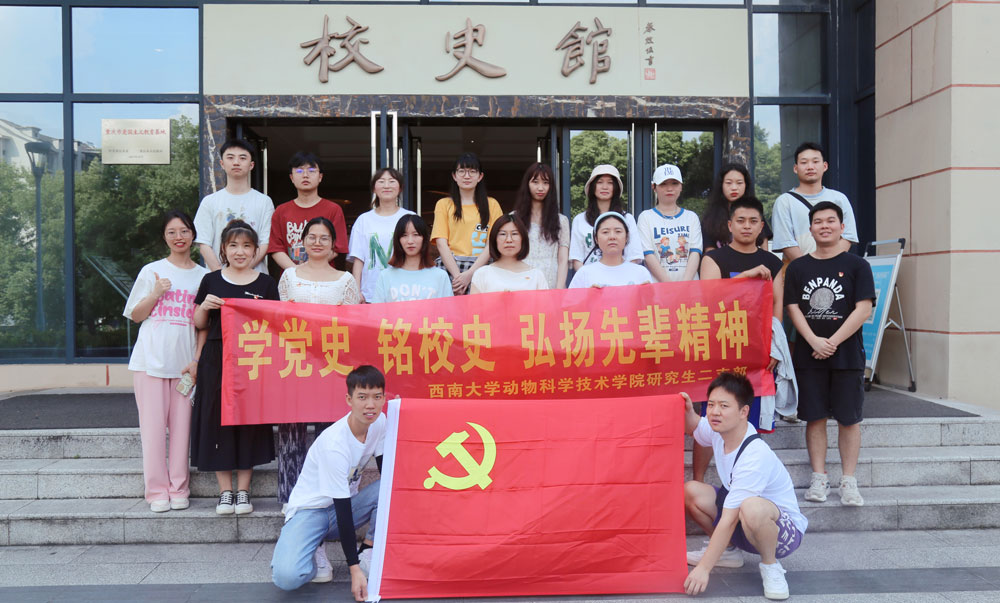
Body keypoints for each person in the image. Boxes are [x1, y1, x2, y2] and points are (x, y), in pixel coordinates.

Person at [681, 373, 807, 601]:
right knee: (691, 491)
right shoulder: (720, 430)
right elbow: (694, 426)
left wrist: (703, 569)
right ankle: (728, 551)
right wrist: (688, 409)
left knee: (752, 507)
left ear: (743, 412)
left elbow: (729, 519)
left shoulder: (754, 456)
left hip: (782, 535)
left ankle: (771, 566)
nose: (715, 411)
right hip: (744, 522)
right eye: (711, 404)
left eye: (724, 406)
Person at [784, 201, 874, 507]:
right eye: (818, 222)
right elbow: (793, 307)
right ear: (810, 229)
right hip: (809, 356)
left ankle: (849, 481)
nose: (825, 226)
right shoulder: (798, 267)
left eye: (831, 221)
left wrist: (831, 342)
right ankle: (819, 478)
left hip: (847, 356)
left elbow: (863, 309)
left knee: (849, 419)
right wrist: (813, 341)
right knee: (815, 417)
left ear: (841, 227)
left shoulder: (858, 266)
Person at [271, 365, 387, 600]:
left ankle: (368, 549)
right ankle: (313, 545)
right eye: (362, 397)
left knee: (390, 488)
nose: (370, 405)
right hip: (311, 511)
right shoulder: (335, 444)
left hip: (344, 506)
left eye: (377, 397)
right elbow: (343, 511)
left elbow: (386, 471)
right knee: (287, 577)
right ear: (349, 400)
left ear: (384, 399)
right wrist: (354, 570)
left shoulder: (380, 422)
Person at [693, 197, 784, 482]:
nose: (747, 226)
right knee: (711, 418)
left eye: (753, 221)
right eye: (741, 221)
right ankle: (698, 479)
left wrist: (775, 348)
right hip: (719, 348)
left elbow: (776, 309)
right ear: (730, 225)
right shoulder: (714, 259)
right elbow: (709, 301)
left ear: (761, 226)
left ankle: (744, 481)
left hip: (757, 353)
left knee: (747, 416)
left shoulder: (773, 263)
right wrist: (745, 277)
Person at [122, 210, 208, 513]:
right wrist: (156, 293)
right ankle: (157, 491)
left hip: (184, 366)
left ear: (193, 235)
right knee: (153, 431)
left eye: (184, 231)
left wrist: (197, 360)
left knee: (182, 431)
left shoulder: (203, 276)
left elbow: (204, 326)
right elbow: (135, 315)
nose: (179, 237)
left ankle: (179, 488)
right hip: (150, 363)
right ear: (164, 237)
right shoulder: (152, 271)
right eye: (172, 232)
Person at [191, 220, 278, 516]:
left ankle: (243, 491)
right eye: (233, 245)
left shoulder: (266, 284)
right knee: (218, 420)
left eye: (246, 246)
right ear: (224, 249)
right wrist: (205, 307)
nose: (240, 251)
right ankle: (224, 492)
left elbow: (276, 326)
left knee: (248, 421)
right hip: (217, 357)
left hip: (253, 358)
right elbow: (199, 324)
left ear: (255, 251)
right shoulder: (211, 280)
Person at [276, 217, 361, 508]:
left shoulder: (345, 279)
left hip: (331, 366)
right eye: (312, 237)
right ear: (303, 241)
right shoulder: (289, 276)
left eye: (324, 238)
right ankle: (290, 497)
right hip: (295, 363)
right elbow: (280, 320)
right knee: (291, 432)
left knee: (330, 434)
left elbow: (352, 325)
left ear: (333, 244)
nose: (317, 242)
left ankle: (327, 497)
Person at [194, 139, 274, 273]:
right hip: (218, 277)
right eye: (230, 157)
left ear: (251, 165)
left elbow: (265, 242)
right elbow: (203, 243)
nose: (236, 162)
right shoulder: (210, 201)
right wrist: (221, 274)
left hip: (255, 276)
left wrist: (243, 271)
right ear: (222, 163)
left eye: (242, 158)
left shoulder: (264, 201)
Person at [771, 142, 859, 262]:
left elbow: (848, 236)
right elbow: (785, 242)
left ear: (825, 166)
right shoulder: (784, 202)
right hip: (797, 269)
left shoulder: (839, 199)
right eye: (804, 162)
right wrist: (809, 268)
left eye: (815, 161)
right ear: (795, 168)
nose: (810, 167)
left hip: (834, 268)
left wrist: (830, 264)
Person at [430, 152, 504, 294]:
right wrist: (458, 276)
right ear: (454, 176)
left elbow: (492, 243)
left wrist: (470, 274)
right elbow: (441, 243)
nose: (467, 176)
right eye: (462, 171)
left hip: (482, 268)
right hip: (450, 267)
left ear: (480, 176)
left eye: (472, 171)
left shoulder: (492, 205)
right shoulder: (443, 204)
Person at [267, 152, 349, 270]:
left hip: (323, 275)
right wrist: (296, 271)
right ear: (292, 178)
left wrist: (309, 268)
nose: (305, 175)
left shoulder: (333, 210)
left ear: (320, 177)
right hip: (291, 276)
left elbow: (337, 248)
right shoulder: (281, 211)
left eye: (311, 171)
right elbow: (276, 248)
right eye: (299, 171)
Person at [348, 168, 415, 302]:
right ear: (374, 188)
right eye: (381, 181)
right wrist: (356, 290)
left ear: (400, 187)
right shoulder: (364, 220)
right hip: (370, 293)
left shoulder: (410, 217)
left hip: (405, 292)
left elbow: (417, 256)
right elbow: (358, 259)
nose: (387, 186)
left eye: (392, 181)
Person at [568, 165, 644, 270]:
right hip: (590, 278)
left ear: (616, 188)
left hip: (621, 278)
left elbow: (633, 257)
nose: (605, 187)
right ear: (592, 187)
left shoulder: (627, 219)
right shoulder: (580, 220)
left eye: (610, 183)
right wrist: (587, 278)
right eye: (599, 182)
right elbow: (577, 258)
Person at [637, 164, 703, 282]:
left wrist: (685, 284)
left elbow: (695, 252)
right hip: (657, 288)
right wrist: (669, 285)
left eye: (674, 183)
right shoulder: (645, 217)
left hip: (689, 287)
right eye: (663, 184)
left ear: (681, 186)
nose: (669, 188)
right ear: (654, 187)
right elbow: (648, 255)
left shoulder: (691, 217)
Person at [512, 162, 569, 288]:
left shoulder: (561, 220)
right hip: (522, 284)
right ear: (527, 184)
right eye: (535, 182)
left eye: (545, 182)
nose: (540, 188)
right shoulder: (514, 218)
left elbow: (563, 259)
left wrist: (559, 289)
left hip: (551, 283)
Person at [372, 215, 454, 303]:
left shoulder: (440, 276)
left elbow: (448, 310)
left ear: (424, 238)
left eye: (416, 234)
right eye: (404, 235)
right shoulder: (385, 276)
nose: (410, 241)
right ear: (398, 240)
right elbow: (377, 311)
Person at [701, 162, 773, 253]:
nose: (734, 188)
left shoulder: (755, 212)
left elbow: (764, 244)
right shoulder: (710, 218)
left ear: (746, 185)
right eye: (728, 183)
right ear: (721, 185)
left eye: (739, 183)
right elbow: (709, 251)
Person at [568, 212, 652, 288]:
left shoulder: (641, 273)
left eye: (618, 231)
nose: (612, 237)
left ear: (626, 237)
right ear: (596, 239)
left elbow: (653, 300)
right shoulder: (584, 273)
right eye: (605, 232)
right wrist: (589, 296)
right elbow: (571, 300)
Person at [470, 214, 548, 294]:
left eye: (514, 234)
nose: (509, 240)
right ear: (494, 239)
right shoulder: (482, 274)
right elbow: (475, 302)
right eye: (503, 234)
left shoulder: (536, 275)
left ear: (523, 239)